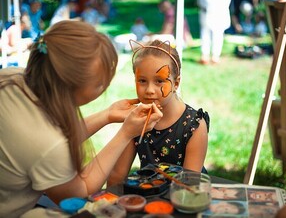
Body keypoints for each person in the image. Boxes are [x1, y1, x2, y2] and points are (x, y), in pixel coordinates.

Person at [0, 20, 163, 218]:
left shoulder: (13, 78)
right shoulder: (46, 145)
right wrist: (126, 133)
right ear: (70, 86)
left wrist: (107, 115)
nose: (105, 86)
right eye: (100, 83)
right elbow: (79, 192)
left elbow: (53, 138)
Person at [107, 39, 209, 187]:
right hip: (150, 196)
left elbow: (189, 185)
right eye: (142, 80)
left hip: (184, 199)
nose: (149, 90)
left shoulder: (194, 125)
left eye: (159, 81)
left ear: (176, 83)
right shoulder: (137, 121)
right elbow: (117, 176)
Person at [197, 0, 232, 64]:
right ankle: (207, 56)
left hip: (219, 10)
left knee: (216, 33)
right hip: (208, 10)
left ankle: (213, 56)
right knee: (207, 33)